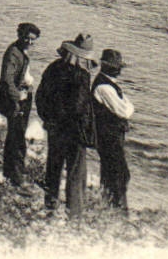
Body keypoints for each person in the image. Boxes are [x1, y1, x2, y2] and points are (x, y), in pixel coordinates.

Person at [35, 33, 99, 215]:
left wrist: (48, 119)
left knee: (53, 167)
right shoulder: (82, 76)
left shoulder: (53, 67)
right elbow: (79, 107)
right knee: (75, 173)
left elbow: (40, 96)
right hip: (73, 131)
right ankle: (74, 214)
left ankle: (49, 206)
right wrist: (86, 128)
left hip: (54, 127)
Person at [0, 22, 42, 191]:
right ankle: (16, 177)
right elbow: (6, 79)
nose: (30, 42)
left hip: (20, 98)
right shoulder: (14, 53)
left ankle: (11, 172)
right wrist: (18, 98)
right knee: (17, 138)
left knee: (15, 136)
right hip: (16, 101)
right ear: (19, 35)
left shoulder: (20, 52)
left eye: (33, 40)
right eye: (27, 38)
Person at [92, 48, 135, 212]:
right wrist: (127, 109)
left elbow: (128, 107)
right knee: (117, 173)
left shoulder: (109, 85)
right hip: (108, 136)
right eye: (116, 67)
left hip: (112, 135)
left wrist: (127, 108)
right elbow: (125, 110)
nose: (119, 70)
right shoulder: (104, 87)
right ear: (106, 66)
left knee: (116, 172)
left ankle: (111, 205)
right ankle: (116, 208)